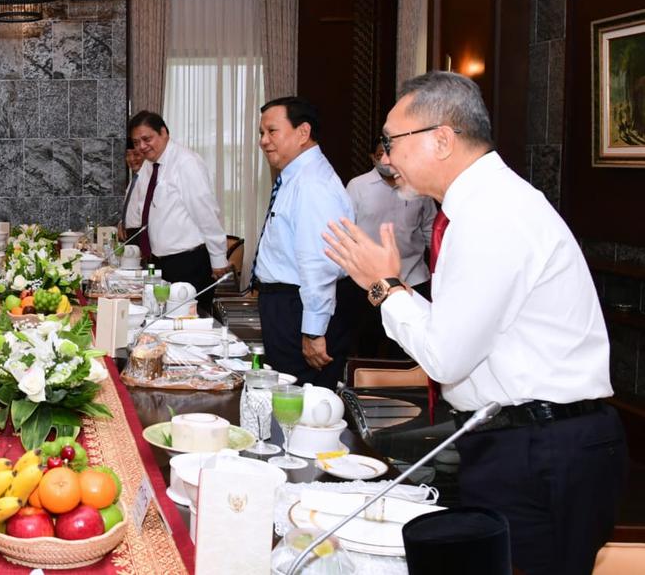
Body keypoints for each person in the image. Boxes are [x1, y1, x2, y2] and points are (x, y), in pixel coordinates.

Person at [323, 71, 625, 575]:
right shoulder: (479, 208)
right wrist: (392, 288)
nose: (386, 158)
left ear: (442, 139)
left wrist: (384, 287)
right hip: (521, 440)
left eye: (391, 142)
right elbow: (454, 333)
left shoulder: (493, 214)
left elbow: (446, 357)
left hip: (543, 448)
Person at [251, 97, 353, 389]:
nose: (263, 141)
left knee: (299, 399)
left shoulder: (312, 184)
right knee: (286, 396)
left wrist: (313, 331)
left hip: (298, 308)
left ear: (303, 132)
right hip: (287, 305)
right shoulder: (296, 176)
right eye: (262, 133)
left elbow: (319, 264)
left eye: (272, 131)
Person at [126, 111, 228, 314]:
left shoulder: (186, 162)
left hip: (189, 262)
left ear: (164, 132)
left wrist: (218, 257)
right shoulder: (149, 166)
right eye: (136, 142)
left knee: (189, 323)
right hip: (160, 261)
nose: (142, 147)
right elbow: (141, 207)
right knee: (163, 319)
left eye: (147, 139)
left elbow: (205, 212)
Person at [342, 139, 436, 357]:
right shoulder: (358, 186)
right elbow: (345, 230)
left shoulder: (418, 186)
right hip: (370, 283)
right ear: (372, 158)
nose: (386, 160)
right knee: (367, 346)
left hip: (413, 280)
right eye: (380, 155)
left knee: (409, 350)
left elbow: (430, 228)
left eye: (390, 153)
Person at [117, 137, 145, 243]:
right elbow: (132, 209)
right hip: (130, 233)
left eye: (136, 154)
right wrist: (122, 222)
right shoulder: (135, 179)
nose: (131, 159)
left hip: (140, 233)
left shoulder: (147, 180)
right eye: (128, 155)